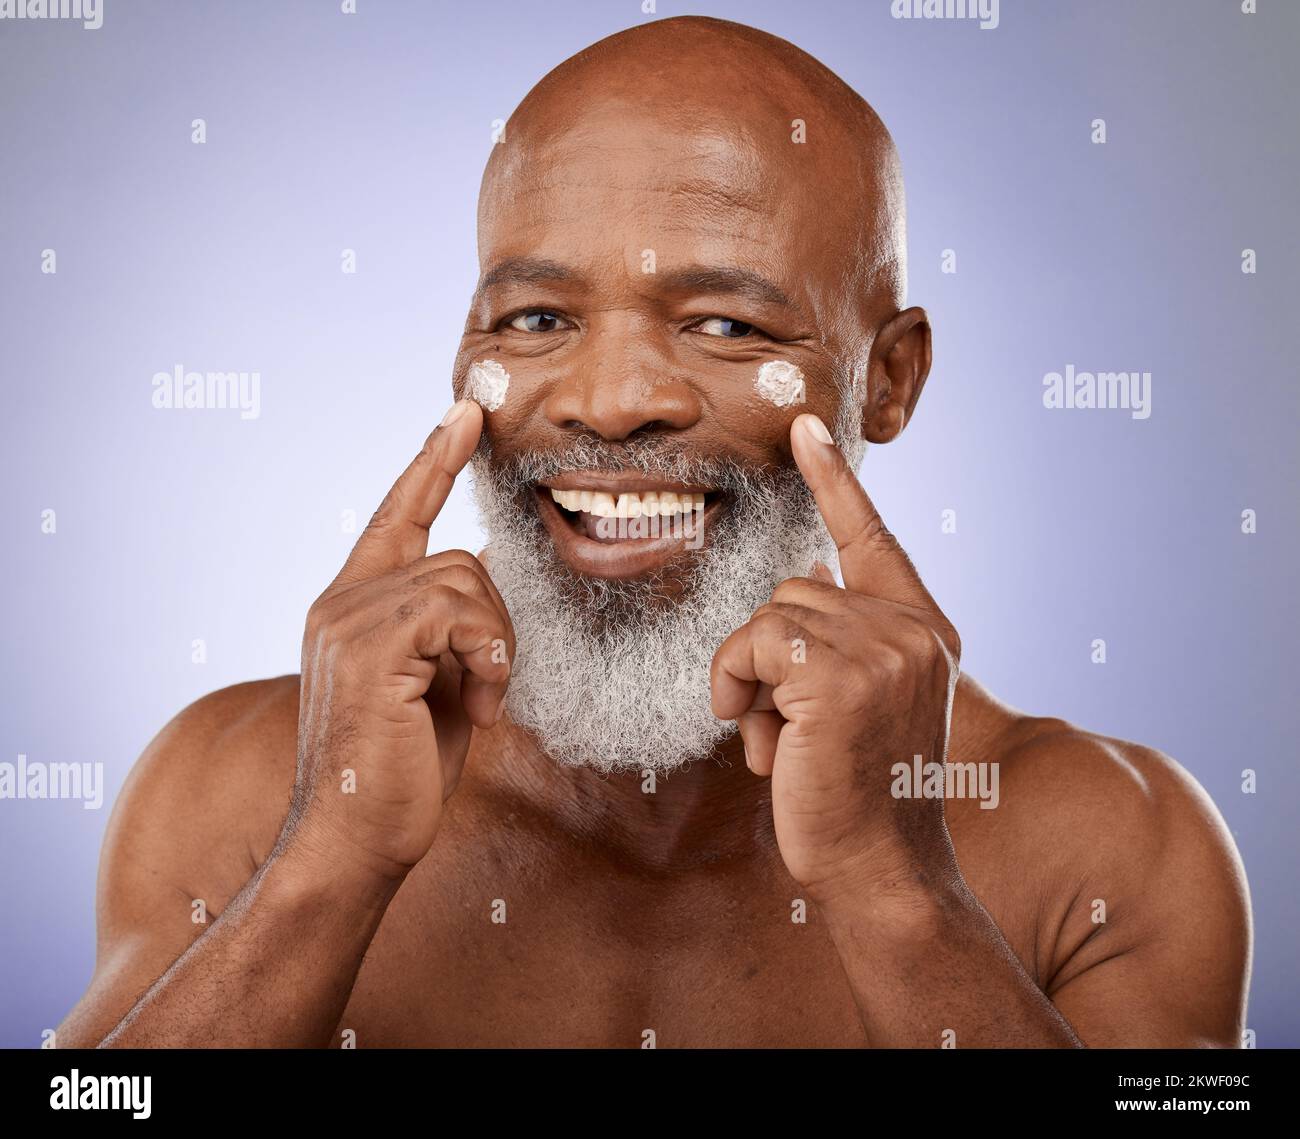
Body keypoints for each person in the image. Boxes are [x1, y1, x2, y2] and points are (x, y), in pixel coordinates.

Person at [56, 16, 1249, 1048]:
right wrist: (320, 870)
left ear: (885, 382)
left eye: (726, 326)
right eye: (534, 317)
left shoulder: (1110, 842)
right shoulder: (232, 791)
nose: (610, 398)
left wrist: (899, 886)